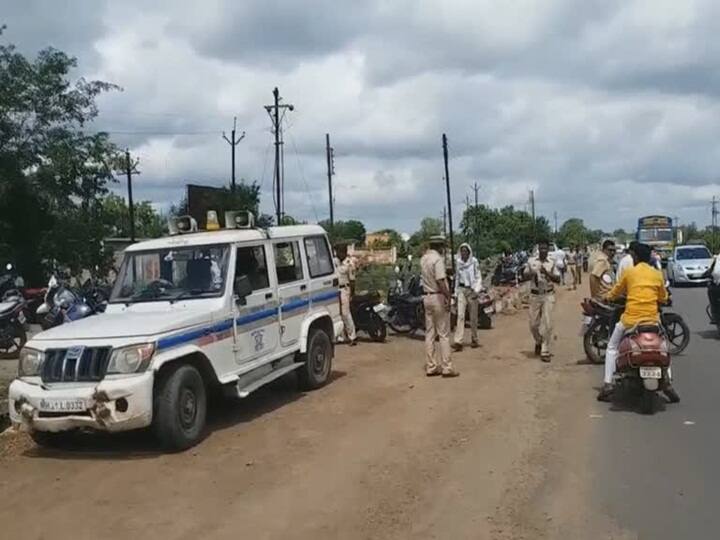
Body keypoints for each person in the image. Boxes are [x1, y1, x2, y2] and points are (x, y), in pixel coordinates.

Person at [597, 243, 679, 403]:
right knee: (664, 347)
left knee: (612, 347)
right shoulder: (656, 274)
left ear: (635, 256)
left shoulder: (629, 273)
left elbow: (615, 292)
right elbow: (663, 297)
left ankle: (607, 384)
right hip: (652, 321)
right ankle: (668, 382)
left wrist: (607, 297)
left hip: (630, 321)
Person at [421, 236, 457, 377]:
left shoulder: (424, 259)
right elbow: (440, 281)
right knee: (443, 334)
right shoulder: (437, 260)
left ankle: (431, 366)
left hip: (426, 296)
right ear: (440, 246)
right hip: (438, 296)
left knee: (430, 333)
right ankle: (447, 367)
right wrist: (448, 295)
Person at [523, 239, 561, 362]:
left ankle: (545, 350)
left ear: (548, 250)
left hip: (548, 294)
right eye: (541, 248)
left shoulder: (552, 262)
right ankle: (538, 341)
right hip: (535, 295)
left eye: (545, 248)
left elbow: (558, 279)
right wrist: (533, 273)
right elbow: (524, 276)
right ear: (538, 249)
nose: (543, 250)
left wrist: (547, 273)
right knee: (533, 324)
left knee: (548, 323)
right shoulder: (531, 261)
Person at [453, 243, 482, 351]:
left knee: (473, 317)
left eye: (465, 251)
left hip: (471, 290)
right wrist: (455, 293)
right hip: (461, 290)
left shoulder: (474, 262)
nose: (464, 253)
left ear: (469, 252)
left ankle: (474, 338)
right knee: (460, 315)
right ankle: (458, 341)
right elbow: (457, 278)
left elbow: (478, 276)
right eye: (462, 251)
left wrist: (476, 290)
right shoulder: (458, 262)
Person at [334, 242, 357, 346]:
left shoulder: (349, 263)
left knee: (345, 313)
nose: (337, 254)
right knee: (337, 313)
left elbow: (352, 280)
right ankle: (341, 336)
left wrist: (352, 294)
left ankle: (352, 336)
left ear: (344, 252)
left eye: (339, 252)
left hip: (345, 289)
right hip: (335, 290)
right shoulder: (335, 261)